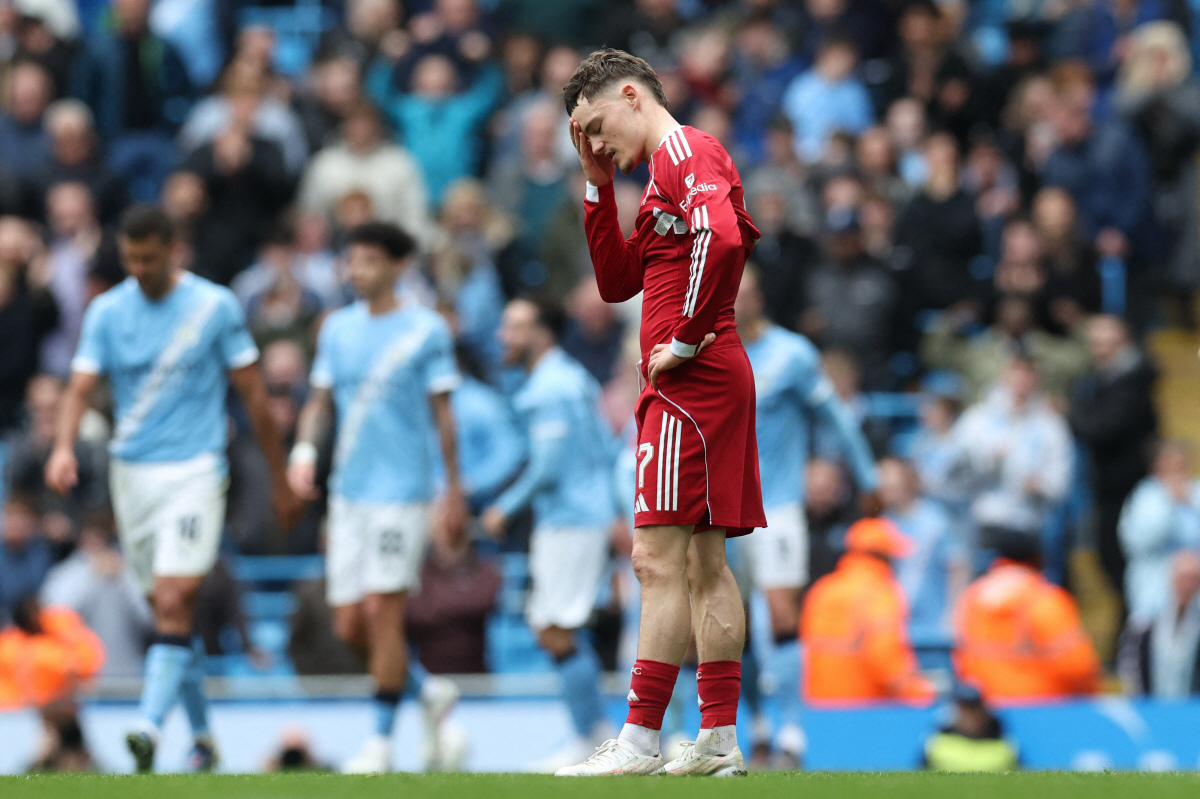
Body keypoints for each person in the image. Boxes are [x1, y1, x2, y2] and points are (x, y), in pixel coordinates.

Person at [561, 47, 765, 776]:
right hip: (710, 379)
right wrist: (596, 186)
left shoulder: (683, 151)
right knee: (707, 561)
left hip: (689, 383)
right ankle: (718, 738)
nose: (593, 141)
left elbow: (727, 237)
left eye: (594, 125)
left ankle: (641, 738)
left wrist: (681, 338)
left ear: (629, 94)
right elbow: (619, 280)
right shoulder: (659, 175)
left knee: (654, 558)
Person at [44, 204, 305, 772]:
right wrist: (64, 446)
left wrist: (279, 477)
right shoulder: (108, 312)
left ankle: (147, 727)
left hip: (194, 470)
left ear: (173, 249)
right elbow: (81, 385)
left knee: (172, 598)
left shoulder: (214, 307)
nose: (138, 268)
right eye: (130, 258)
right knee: (169, 616)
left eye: (149, 257)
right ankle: (204, 739)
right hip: (130, 474)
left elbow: (255, 396)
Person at [287, 221, 465, 774]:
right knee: (347, 624)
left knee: (382, 612)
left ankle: (382, 744)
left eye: (366, 260)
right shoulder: (335, 329)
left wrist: (453, 490)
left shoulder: (425, 330)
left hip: (402, 493)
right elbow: (320, 401)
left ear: (395, 266)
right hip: (348, 493)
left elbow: (443, 415)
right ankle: (426, 693)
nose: (354, 270)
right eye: (350, 260)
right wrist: (302, 452)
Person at [735, 264, 879, 764]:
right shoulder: (712, 350)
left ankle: (792, 734)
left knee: (781, 612)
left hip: (777, 505)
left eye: (746, 291)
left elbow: (835, 416)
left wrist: (868, 477)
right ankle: (754, 726)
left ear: (760, 297)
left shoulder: (791, 354)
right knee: (738, 627)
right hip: (724, 512)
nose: (737, 299)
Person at [479, 298, 618, 771]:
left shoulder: (550, 388)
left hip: (572, 519)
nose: (503, 336)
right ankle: (595, 733)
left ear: (542, 334)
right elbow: (602, 444)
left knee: (556, 627)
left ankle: (593, 737)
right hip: (579, 515)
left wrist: (503, 507)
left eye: (515, 327)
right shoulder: (570, 378)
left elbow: (547, 467)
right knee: (553, 626)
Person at [953, 527, 1100, 704]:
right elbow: (1078, 666)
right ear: (1038, 558)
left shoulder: (972, 598)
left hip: (989, 712)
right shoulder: (1044, 599)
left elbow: (962, 661)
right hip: (1046, 711)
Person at [1070, 315, 1159, 608]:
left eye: (1108, 343)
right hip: (1110, 487)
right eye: (1095, 343)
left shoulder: (1129, 384)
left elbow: (1102, 429)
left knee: (1121, 563)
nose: (1100, 350)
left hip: (1126, 488)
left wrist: (1070, 412)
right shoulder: (1105, 379)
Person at [801, 517, 936, 705]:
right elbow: (884, 655)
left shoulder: (822, 590)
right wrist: (919, 693)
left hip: (819, 705)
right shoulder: (881, 593)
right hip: (866, 707)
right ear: (884, 557)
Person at [878, 457, 969, 640]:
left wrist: (954, 615)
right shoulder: (882, 522)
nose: (885, 487)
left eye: (891, 482)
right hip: (895, 626)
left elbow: (957, 566)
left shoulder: (934, 519)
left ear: (908, 481)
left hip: (934, 624)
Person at [1118, 441, 1200, 624]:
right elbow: (1137, 543)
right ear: (1158, 466)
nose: (1178, 472)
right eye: (1172, 465)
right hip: (1155, 588)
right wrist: (1168, 504)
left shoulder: (1196, 492)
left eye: (1181, 465)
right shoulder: (1146, 496)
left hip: (1194, 591)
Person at [1119, 550, 1200, 699]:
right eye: (1183, 578)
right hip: (1152, 706)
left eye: (1193, 579)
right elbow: (1130, 667)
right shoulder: (1147, 622)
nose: (1187, 585)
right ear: (1171, 579)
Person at [921, 683, 1019, 772]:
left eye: (974, 708)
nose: (970, 716)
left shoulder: (1005, 746)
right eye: (964, 708)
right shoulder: (937, 744)